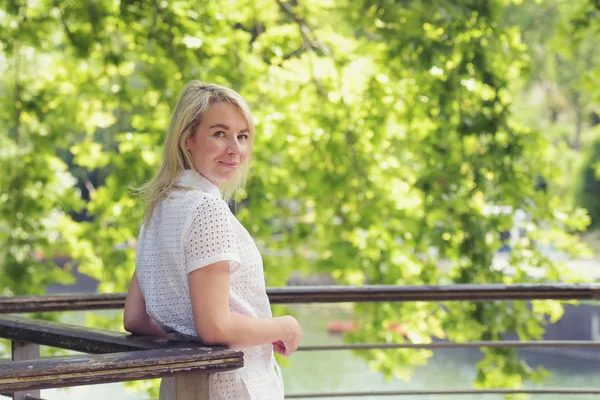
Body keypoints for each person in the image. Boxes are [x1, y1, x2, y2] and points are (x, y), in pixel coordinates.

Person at [123, 81, 303, 399]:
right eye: (220, 133)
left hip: (181, 386)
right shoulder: (206, 208)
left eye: (242, 136)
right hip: (231, 386)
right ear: (187, 139)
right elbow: (215, 326)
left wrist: (185, 336)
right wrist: (284, 326)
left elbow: (135, 318)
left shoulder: (160, 206)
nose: (235, 149)